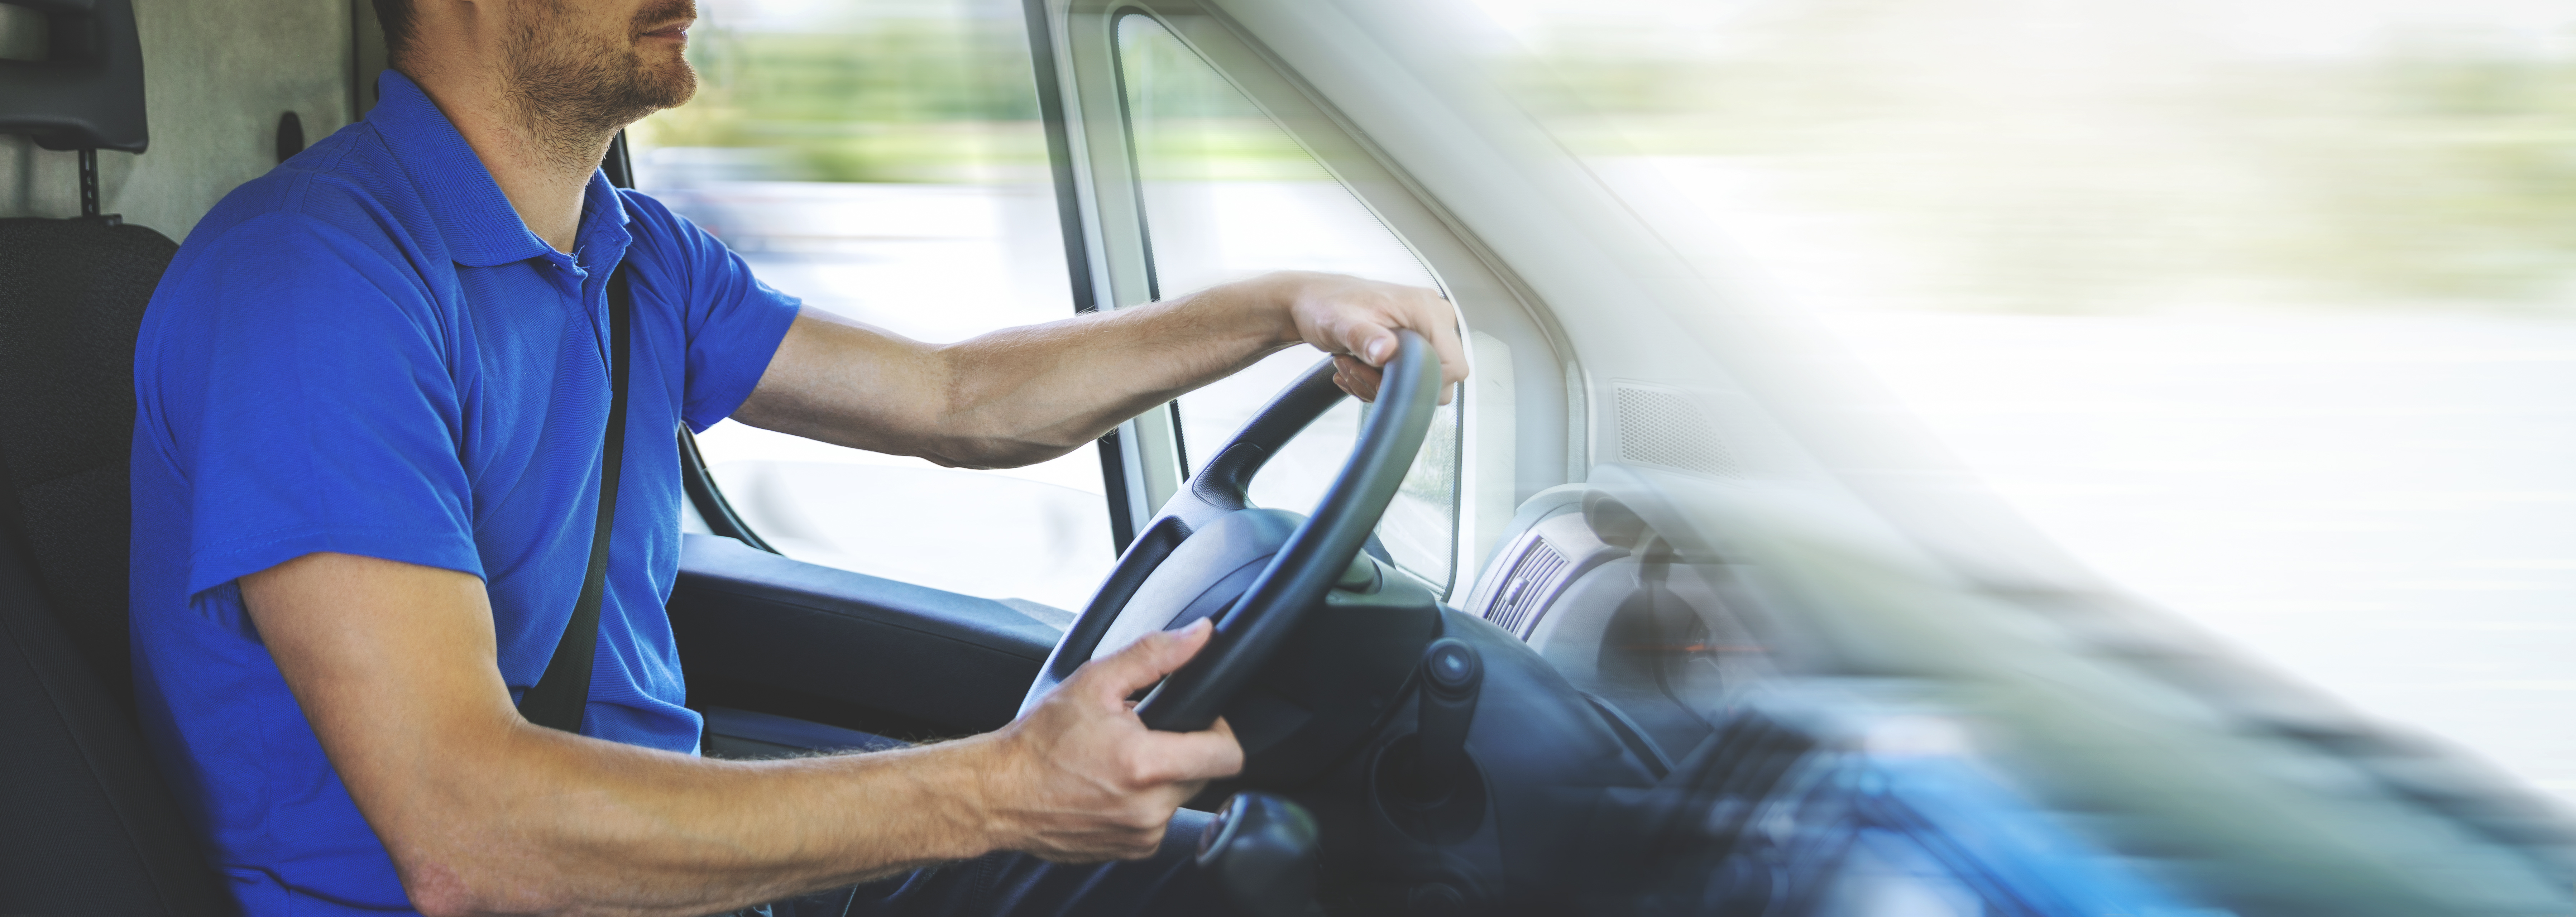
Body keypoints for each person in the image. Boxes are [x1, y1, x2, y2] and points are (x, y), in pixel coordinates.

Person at [125, 0, 1468, 914]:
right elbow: (467, 828)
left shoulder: (632, 258)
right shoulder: (312, 286)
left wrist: (1274, 308)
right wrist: (1001, 789)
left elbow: (961, 399)